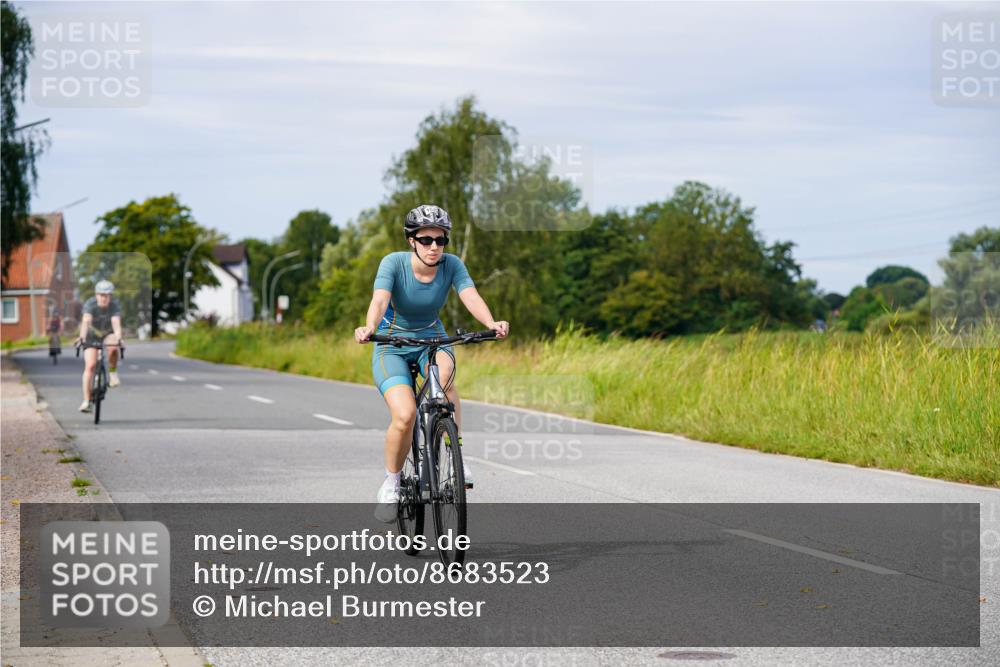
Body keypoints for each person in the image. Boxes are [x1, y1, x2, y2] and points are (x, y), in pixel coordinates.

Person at [354, 204, 509, 522]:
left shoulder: (452, 265)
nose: (434, 247)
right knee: (405, 415)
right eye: (426, 240)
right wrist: (370, 326)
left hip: (432, 339)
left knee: (445, 382)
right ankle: (392, 483)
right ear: (411, 240)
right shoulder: (393, 263)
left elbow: (470, 295)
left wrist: (491, 322)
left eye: (440, 240)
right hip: (392, 345)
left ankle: (456, 455)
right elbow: (380, 299)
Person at [77, 280, 124, 412]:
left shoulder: (114, 305)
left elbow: (116, 322)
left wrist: (119, 337)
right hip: (92, 335)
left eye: (107, 295)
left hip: (108, 333)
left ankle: (112, 373)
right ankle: (86, 401)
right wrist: (82, 337)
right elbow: (86, 320)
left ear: (110, 296)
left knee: (113, 346)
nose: (104, 298)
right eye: (101, 295)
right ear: (96, 295)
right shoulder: (90, 304)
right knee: (90, 366)